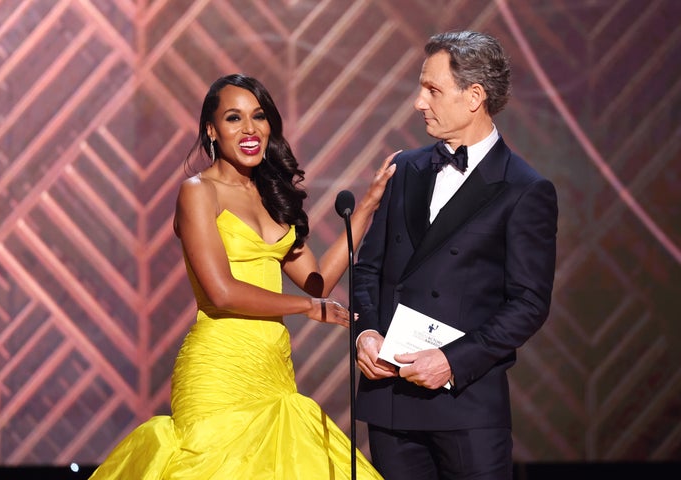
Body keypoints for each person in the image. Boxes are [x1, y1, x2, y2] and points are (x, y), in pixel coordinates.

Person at [89, 73, 396, 479]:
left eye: (259, 116)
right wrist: (307, 307)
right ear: (212, 131)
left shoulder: (271, 195)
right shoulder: (199, 192)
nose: (250, 129)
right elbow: (222, 291)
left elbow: (317, 279)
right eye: (234, 118)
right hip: (219, 371)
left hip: (274, 372)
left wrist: (368, 206)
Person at [353, 31, 558, 480]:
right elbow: (367, 267)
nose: (418, 102)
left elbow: (528, 303)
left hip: (466, 406)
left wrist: (451, 361)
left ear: (474, 97)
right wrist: (365, 331)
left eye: (432, 89)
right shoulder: (405, 168)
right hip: (391, 401)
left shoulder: (524, 188)